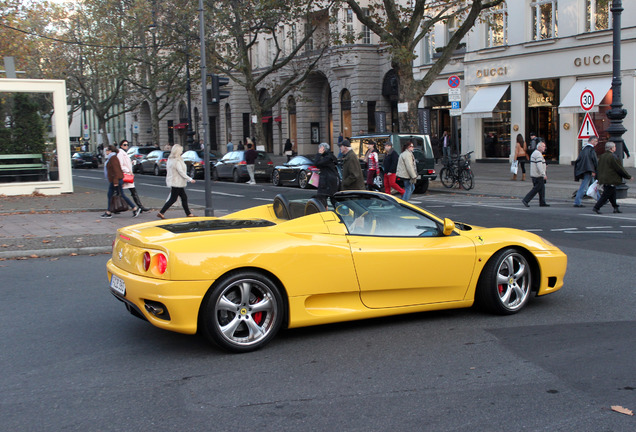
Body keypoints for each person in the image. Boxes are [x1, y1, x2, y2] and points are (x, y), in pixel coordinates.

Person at [592, 141, 633, 214]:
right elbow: (619, 168)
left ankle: (615, 207)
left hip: (604, 178)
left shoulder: (602, 156)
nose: (615, 148)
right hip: (611, 178)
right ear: (611, 148)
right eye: (614, 147)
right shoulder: (613, 156)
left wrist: (598, 178)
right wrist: (628, 176)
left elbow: (599, 168)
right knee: (606, 195)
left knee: (612, 194)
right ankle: (597, 207)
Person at [101, 145, 140, 219]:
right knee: (110, 194)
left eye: (107, 150)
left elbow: (116, 170)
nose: (106, 152)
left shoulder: (113, 158)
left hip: (116, 180)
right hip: (114, 180)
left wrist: (116, 181)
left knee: (121, 195)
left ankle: (134, 208)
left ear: (110, 151)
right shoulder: (111, 158)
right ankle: (108, 212)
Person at [157, 144, 195, 219]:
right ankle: (161, 212)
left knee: (183, 197)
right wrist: (190, 179)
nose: (182, 152)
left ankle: (188, 213)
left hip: (175, 181)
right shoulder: (177, 161)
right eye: (181, 150)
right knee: (173, 199)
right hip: (177, 182)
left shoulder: (170, 159)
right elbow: (181, 171)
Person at [117, 139, 150, 213]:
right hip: (125, 175)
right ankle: (117, 207)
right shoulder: (120, 153)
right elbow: (120, 165)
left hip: (128, 175)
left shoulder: (125, 153)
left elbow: (125, 164)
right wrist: (128, 171)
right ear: (121, 145)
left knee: (132, 191)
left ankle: (140, 206)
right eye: (124, 145)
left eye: (127, 145)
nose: (126, 146)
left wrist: (131, 163)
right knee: (120, 192)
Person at [521, 139, 550, 207]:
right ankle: (526, 199)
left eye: (544, 146)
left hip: (536, 175)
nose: (544, 148)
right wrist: (543, 174)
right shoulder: (538, 154)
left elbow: (540, 163)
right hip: (538, 175)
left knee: (541, 189)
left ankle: (542, 202)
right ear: (539, 147)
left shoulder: (536, 153)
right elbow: (539, 165)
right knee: (536, 189)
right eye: (543, 146)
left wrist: (545, 165)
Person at [573, 136, 599, 207]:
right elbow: (593, 161)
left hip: (585, 169)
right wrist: (593, 170)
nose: (597, 143)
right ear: (592, 141)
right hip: (589, 170)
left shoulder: (584, 149)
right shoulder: (591, 150)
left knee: (593, 185)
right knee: (585, 186)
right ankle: (577, 202)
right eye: (596, 141)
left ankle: (600, 200)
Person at [313, 143, 339, 208]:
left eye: (320, 148)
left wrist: (319, 154)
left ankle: (326, 212)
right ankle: (341, 213)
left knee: (321, 197)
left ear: (323, 149)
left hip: (326, 181)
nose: (319, 150)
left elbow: (316, 163)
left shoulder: (327, 158)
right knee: (333, 199)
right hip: (331, 181)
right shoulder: (330, 157)